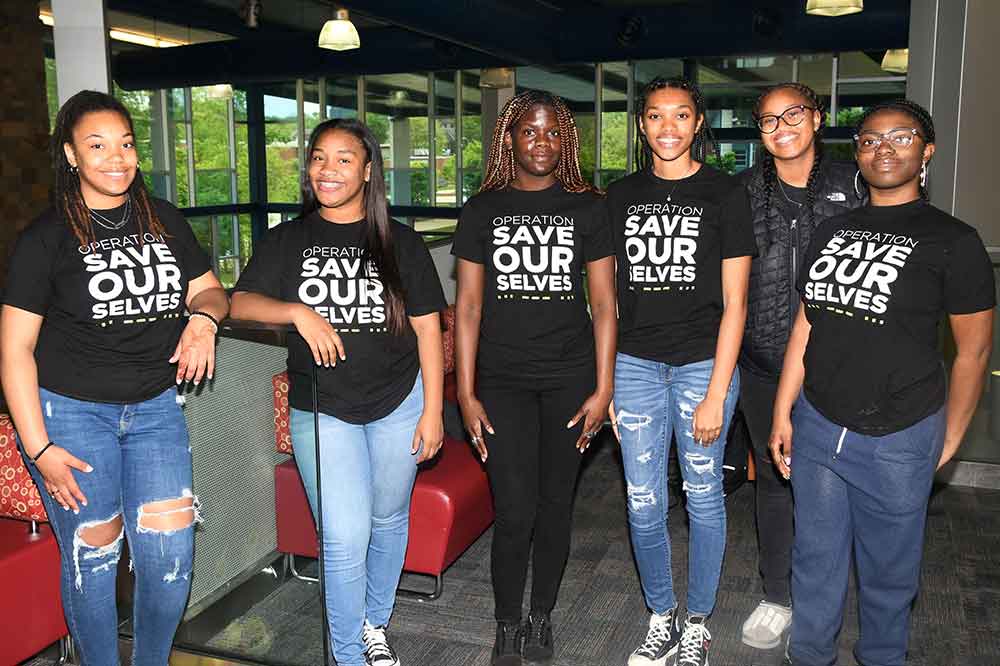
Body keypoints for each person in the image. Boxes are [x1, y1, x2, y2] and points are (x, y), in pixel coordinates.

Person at [0, 90, 229, 666]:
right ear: (72, 156)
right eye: (97, 145)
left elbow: (210, 289)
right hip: (71, 417)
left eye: (125, 143)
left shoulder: (164, 219)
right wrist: (40, 448)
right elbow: (14, 350)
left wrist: (203, 320)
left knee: (170, 556)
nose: (116, 157)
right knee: (94, 556)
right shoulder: (46, 239)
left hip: (154, 410)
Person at [770, 100, 994, 666]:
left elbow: (973, 352)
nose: (883, 148)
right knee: (814, 562)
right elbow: (805, 325)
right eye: (869, 140)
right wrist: (783, 411)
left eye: (900, 137)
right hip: (819, 423)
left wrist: (948, 442)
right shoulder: (832, 229)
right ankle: (810, 657)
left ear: (927, 150)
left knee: (889, 578)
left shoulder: (954, 241)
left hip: (899, 433)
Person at [229, 119, 446, 666]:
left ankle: (374, 623)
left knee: (389, 518)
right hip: (323, 407)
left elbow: (428, 329)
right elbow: (238, 303)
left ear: (368, 170)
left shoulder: (402, 242)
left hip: (400, 400)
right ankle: (348, 653)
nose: (329, 170)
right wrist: (297, 312)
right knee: (345, 535)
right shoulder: (287, 240)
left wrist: (435, 412)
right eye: (319, 158)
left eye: (344, 159)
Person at [452, 90, 616, 666]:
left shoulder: (588, 208)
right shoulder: (481, 211)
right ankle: (506, 622)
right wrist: (464, 392)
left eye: (552, 132)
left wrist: (604, 388)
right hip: (500, 383)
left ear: (565, 139)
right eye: (529, 132)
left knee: (554, 505)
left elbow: (603, 304)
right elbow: (467, 307)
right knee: (514, 506)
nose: (541, 142)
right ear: (509, 139)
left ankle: (541, 617)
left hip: (571, 379)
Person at [606, 77, 755, 666]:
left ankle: (697, 622)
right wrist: (607, 383)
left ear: (697, 123)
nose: (669, 127)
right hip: (634, 367)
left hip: (702, 367)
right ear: (642, 125)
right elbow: (608, 299)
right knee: (642, 501)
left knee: (702, 497)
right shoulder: (618, 197)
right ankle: (660, 615)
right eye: (656, 116)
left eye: (681, 116)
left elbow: (736, 303)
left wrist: (718, 392)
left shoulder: (724, 195)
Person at [737, 82, 865, 650]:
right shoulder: (742, 192)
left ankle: (830, 592)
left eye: (793, 115)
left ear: (816, 118)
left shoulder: (855, 185)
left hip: (841, 366)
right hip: (762, 365)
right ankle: (778, 595)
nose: (781, 127)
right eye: (768, 120)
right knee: (775, 482)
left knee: (841, 485)